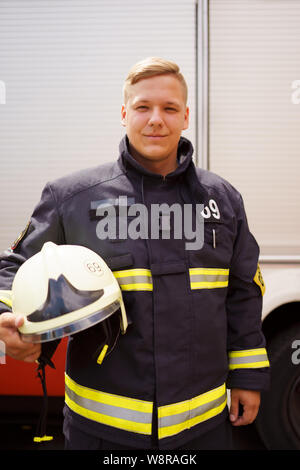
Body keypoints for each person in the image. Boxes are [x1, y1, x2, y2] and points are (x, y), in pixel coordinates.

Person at [0, 57, 269, 450]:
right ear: (125, 113)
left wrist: (247, 378)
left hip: (203, 427)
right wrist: (8, 319)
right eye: (143, 107)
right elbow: (14, 268)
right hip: (102, 430)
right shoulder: (73, 198)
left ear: (186, 116)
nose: (156, 119)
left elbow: (243, 292)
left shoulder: (223, 201)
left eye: (170, 108)